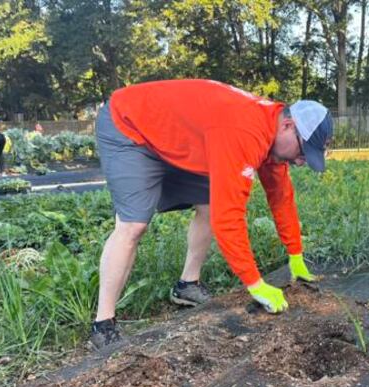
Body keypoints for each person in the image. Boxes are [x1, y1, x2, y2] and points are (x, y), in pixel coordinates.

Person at [91, 79, 333, 348]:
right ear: (288, 125)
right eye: (302, 151)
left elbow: (281, 198)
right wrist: (255, 283)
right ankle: (104, 323)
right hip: (130, 125)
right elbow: (228, 217)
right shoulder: (246, 131)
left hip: (176, 135)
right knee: (133, 225)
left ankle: (186, 285)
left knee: (208, 203)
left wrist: (295, 254)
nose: (300, 161)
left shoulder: (273, 135)